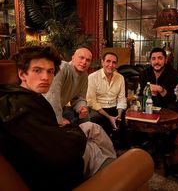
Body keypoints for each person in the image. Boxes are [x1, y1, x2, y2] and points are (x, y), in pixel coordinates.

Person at [0, 46, 116, 190]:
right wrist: (65, 125)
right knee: (95, 148)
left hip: (58, 142)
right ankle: (111, 171)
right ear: (22, 74)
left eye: (50, 72)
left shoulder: (33, 98)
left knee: (94, 127)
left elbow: (79, 98)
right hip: (60, 166)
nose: (46, 77)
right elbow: (53, 100)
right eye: (37, 70)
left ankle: (113, 165)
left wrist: (81, 107)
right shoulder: (20, 107)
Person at [44, 47, 92, 125]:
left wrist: (82, 107)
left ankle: (87, 136)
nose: (84, 62)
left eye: (88, 60)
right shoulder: (62, 68)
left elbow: (79, 98)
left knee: (85, 117)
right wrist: (59, 119)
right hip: (44, 109)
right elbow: (52, 95)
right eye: (81, 58)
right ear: (73, 58)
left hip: (61, 108)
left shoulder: (85, 76)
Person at [86, 52, 127, 137]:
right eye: (108, 61)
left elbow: (121, 99)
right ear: (102, 62)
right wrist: (109, 117)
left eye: (114, 62)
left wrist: (119, 116)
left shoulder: (120, 78)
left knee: (125, 117)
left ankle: (120, 145)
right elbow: (91, 102)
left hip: (114, 107)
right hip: (99, 109)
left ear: (116, 65)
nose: (111, 65)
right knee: (95, 118)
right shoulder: (92, 77)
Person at [139, 47, 178, 114]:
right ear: (150, 61)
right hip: (148, 108)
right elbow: (139, 94)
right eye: (153, 59)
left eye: (160, 58)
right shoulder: (144, 73)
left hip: (167, 110)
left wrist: (161, 90)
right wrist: (145, 92)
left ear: (166, 60)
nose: (156, 62)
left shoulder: (174, 75)